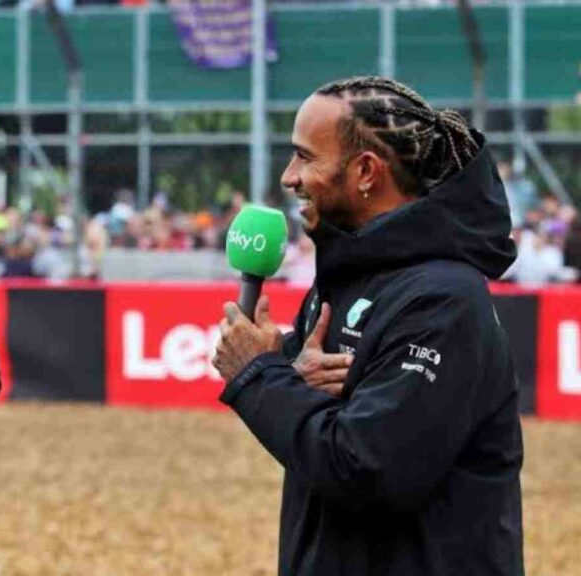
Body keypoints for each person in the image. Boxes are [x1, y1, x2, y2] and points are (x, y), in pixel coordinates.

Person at [213, 76, 523, 576]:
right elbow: (335, 425)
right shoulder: (346, 276)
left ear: (364, 171)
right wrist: (289, 370)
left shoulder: (444, 300)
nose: (289, 177)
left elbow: (369, 469)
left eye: (305, 157)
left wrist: (260, 376)